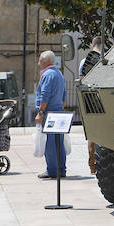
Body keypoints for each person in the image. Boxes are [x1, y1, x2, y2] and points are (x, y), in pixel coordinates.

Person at [35, 50, 67, 179]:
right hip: (59, 110)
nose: (38, 63)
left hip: (49, 112)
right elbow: (64, 96)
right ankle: (61, 169)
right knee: (59, 142)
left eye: (40, 60)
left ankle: (52, 170)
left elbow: (45, 94)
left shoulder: (47, 75)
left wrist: (41, 112)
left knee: (50, 143)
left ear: (47, 61)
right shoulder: (59, 74)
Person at [79, 37, 105, 174]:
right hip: (103, 100)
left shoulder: (84, 62)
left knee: (92, 135)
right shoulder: (105, 60)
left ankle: (92, 165)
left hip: (89, 100)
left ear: (92, 45)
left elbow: (81, 80)